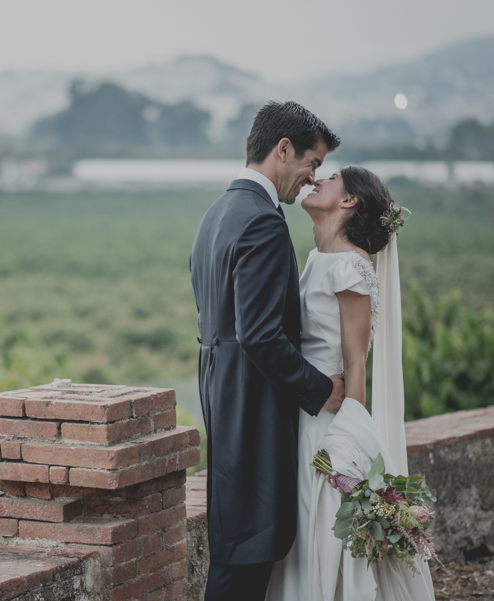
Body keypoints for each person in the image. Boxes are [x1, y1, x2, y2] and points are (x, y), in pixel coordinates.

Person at [190, 100, 346, 600]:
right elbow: (259, 334)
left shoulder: (216, 213)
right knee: (249, 553)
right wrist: (321, 390)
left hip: (222, 395)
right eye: (312, 164)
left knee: (236, 543)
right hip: (253, 405)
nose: (311, 178)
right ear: (283, 150)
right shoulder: (262, 220)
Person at [263, 166, 436, 600]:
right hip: (303, 413)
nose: (317, 178)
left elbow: (356, 365)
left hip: (329, 429)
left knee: (324, 540)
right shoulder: (317, 257)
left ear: (348, 201)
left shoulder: (351, 268)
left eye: (333, 177)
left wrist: (344, 451)